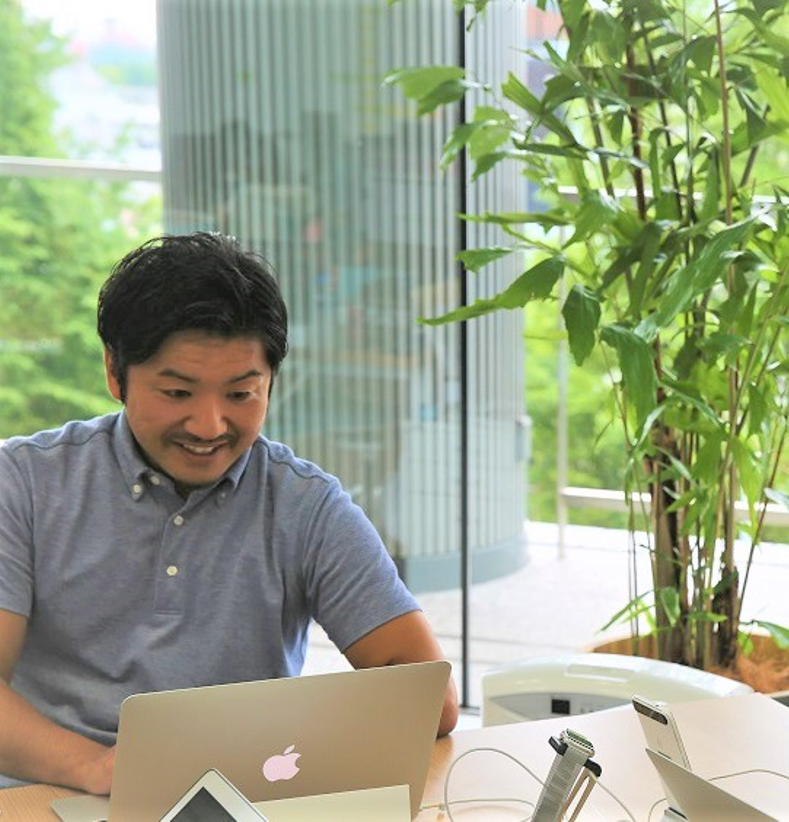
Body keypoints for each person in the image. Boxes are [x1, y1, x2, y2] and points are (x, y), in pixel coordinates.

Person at [0, 232, 460, 794]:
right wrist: (96, 769)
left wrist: (286, 743)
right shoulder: (23, 483)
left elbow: (431, 700)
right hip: (46, 793)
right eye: (178, 393)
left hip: (234, 798)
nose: (209, 426)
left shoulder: (306, 506)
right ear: (114, 372)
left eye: (241, 394)